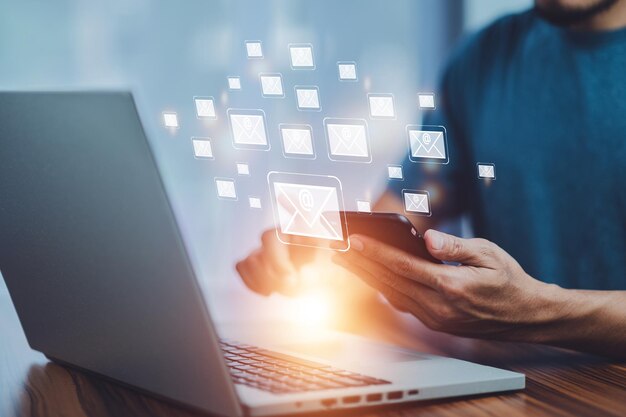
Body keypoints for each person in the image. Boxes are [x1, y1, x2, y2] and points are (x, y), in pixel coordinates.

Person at [236, 0, 626, 359]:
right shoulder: (481, 59)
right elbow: (402, 214)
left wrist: (541, 313)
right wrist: (319, 259)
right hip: (507, 387)